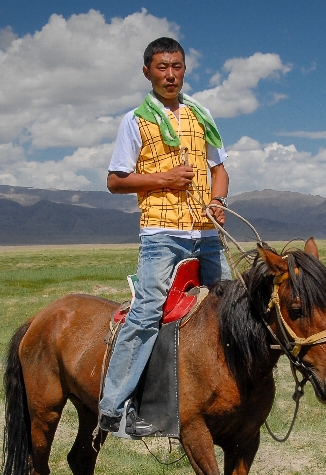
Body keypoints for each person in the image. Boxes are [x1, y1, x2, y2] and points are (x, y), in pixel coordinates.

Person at [97, 37, 231, 437]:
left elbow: (219, 169)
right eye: (161, 67)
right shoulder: (135, 121)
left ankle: (223, 393)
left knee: (230, 306)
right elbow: (114, 180)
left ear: (185, 69)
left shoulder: (200, 116)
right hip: (162, 234)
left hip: (206, 231)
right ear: (147, 72)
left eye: (176, 66)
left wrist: (218, 199)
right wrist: (163, 178)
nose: (170, 74)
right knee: (148, 312)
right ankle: (113, 406)